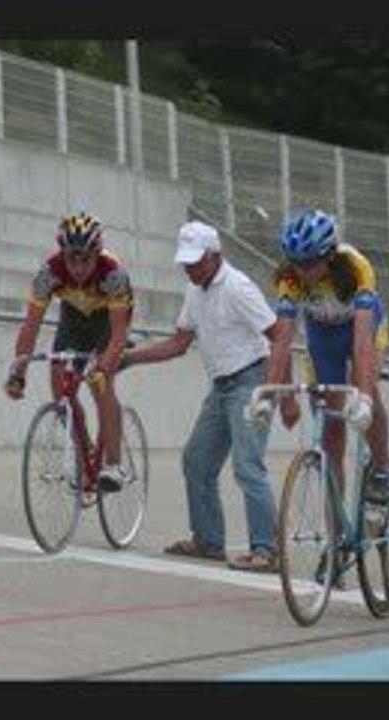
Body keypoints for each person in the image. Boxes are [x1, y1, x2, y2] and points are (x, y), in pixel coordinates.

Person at [121, 221, 280, 572]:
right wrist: (130, 359)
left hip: (252, 379)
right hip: (222, 386)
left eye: (195, 261)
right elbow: (179, 344)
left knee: (248, 466)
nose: (190, 268)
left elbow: (279, 334)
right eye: (186, 262)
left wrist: (276, 391)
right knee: (196, 461)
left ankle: (266, 550)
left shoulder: (239, 288)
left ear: (215, 255)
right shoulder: (195, 290)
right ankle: (208, 541)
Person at [252, 209, 389, 580]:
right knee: (332, 435)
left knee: (369, 395)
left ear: (329, 255)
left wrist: (361, 395)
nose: (303, 271)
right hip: (324, 336)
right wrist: (271, 394)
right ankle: (335, 546)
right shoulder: (291, 279)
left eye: (310, 263)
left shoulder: (356, 269)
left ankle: (380, 471)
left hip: (362, 328)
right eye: (296, 263)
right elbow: (281, 340)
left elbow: (363, 343)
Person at [4, 211, 133, 493]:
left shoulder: (113, 274)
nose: (77, 267)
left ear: (96, 254)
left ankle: (113, 465)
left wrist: (103, 368)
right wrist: (18, 373)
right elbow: (30, 326)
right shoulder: (48, 274)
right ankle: (84, 448)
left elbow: (120, 334)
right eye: (70, 258)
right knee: (60, 385)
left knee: (102, 385)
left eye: (85, 258)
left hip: (106, 322)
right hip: (73, 317)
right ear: (61, 253)